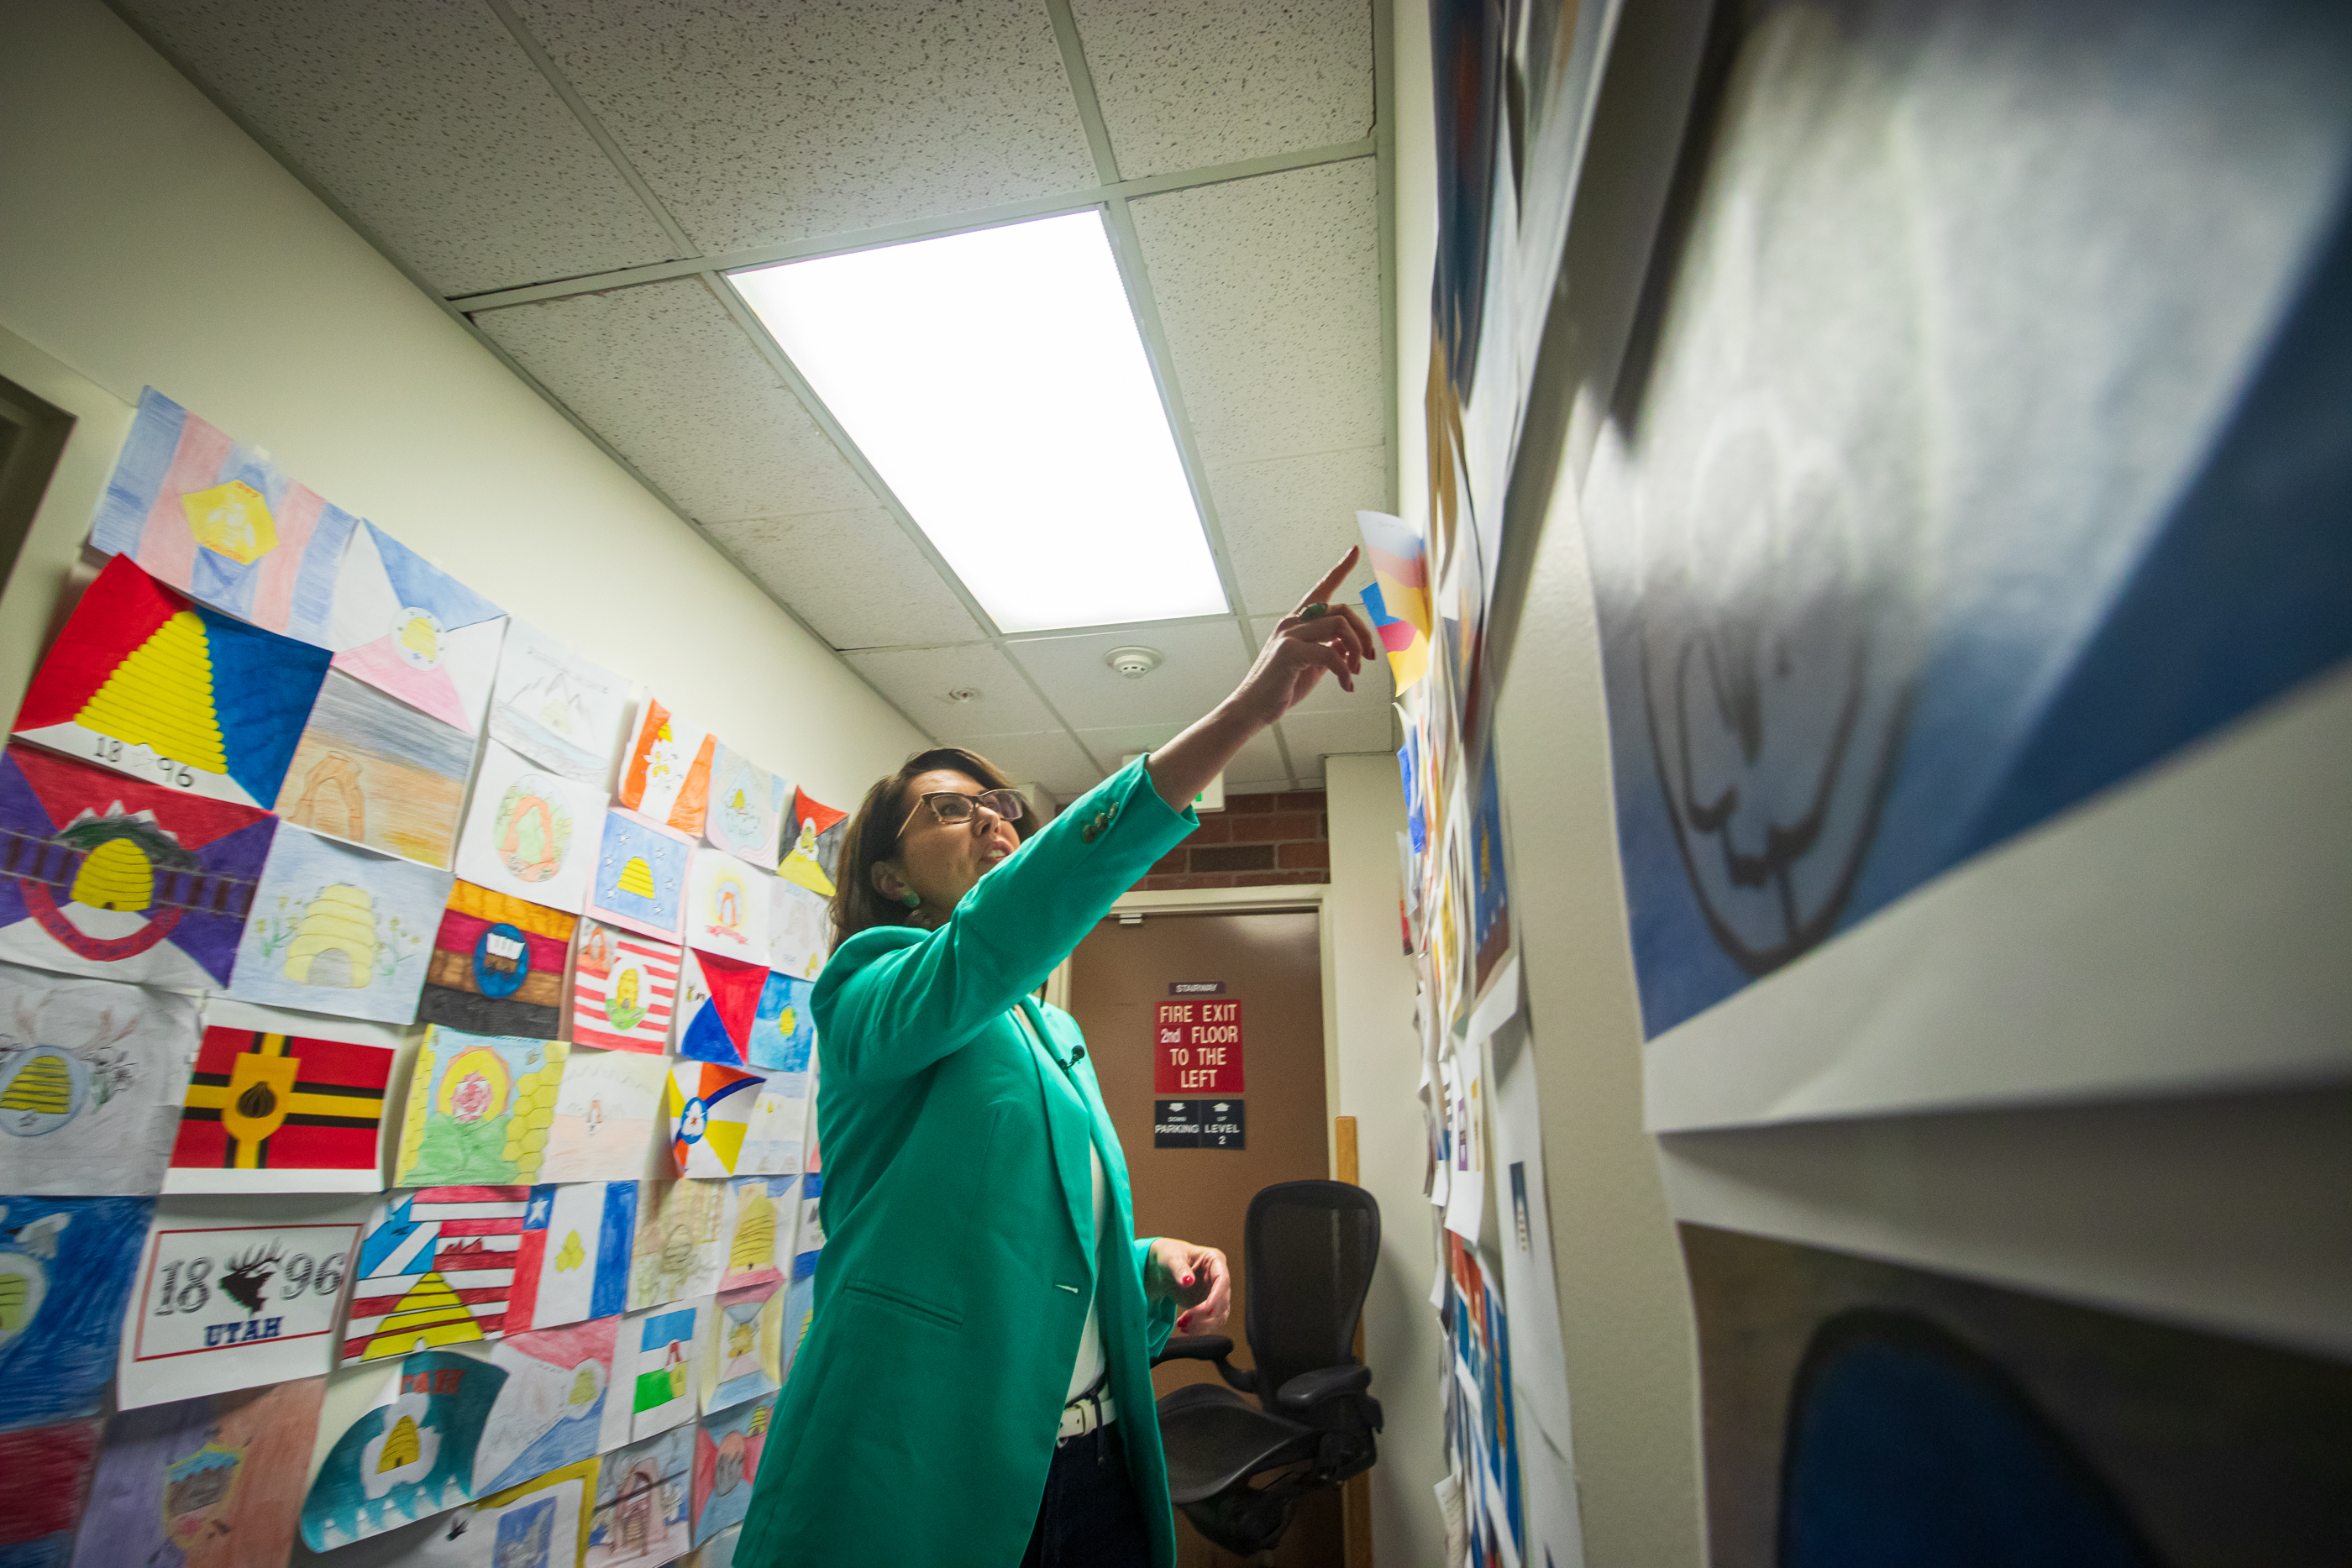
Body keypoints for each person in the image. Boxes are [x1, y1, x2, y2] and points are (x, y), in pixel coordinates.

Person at [735, 552, 1378, 1567]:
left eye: (1001, 806)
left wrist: (1145, 1265)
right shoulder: (868, 990)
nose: (992, 815)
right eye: (951, 807)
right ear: (890, 874)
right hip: (925, 1466)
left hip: (1095, 1465)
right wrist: (1248, 708)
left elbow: (1015, 1254)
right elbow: (994, 934)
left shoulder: (1049, 1033)